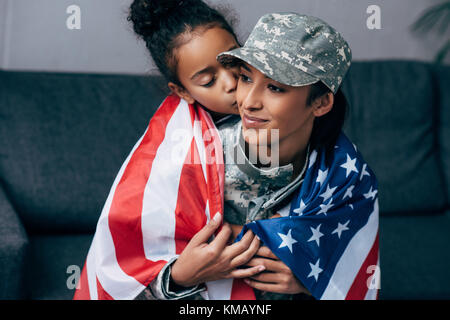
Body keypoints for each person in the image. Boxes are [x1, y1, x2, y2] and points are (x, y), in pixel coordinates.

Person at [74, 0, 299, 300]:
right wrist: (180, 275)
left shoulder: (290, 109)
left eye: (233, 62)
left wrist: (306, 275)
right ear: (182, 91)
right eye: (208, 81)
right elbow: (128, 253)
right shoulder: (168, 152)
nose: (231, 83)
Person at [214, 12, 380, 300]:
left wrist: (313, 280)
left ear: (321, 102)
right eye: (245, 78)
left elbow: (354, 269)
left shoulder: (344, 174)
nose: (249, 102)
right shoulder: (202, 152)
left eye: (275, 87)